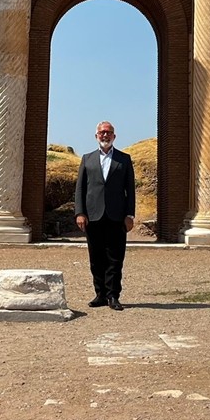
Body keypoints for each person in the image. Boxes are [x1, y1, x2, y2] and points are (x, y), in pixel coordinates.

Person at [74, 120, 136, 310]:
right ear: (96, 136)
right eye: (102, 132)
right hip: (93, 216)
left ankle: (113, 296)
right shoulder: (87, 159)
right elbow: (80, 188)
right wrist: (80, 212)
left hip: (117, 216)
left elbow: (130, 190)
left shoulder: (124, 159)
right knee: (96, 257)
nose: (105, 135)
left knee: (115, 258)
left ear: (114, 136)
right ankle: (99, 294)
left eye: (108, 132)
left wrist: (130, 215)